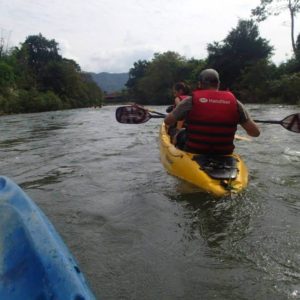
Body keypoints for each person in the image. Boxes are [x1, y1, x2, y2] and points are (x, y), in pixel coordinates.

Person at [164, 68, 260, 155]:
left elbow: (168, 121)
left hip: (194, 150)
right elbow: (255, 133)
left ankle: (177, 155)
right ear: (218, 83)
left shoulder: (190, 100)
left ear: (199, 84)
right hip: (224, 152)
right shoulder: (235, 102)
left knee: (180, 132)